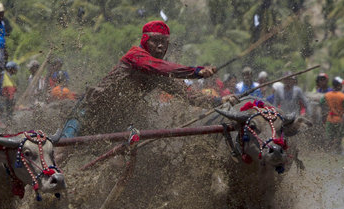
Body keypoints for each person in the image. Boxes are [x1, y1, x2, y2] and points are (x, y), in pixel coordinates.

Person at [81, 21, 237, 134]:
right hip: (92, 110)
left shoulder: (160, 74)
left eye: (164, 42)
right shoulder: (135, 55)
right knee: (63, 153)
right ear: (145, 41)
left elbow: (188, 94)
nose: (161, 46)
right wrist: (196, 71)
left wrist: (219, 101)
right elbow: (159, 66)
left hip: (120, 119)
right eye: (156, 41)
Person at [320, 77, 344, 152]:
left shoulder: (327, 95)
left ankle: (328, 152)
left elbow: (321, 102)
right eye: (341, 85)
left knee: (329, 138)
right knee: (338, 139)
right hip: (339, 120)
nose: (342, 86)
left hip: (330, 119)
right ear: (338, 86)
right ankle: (338, 152)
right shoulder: (342, 96)